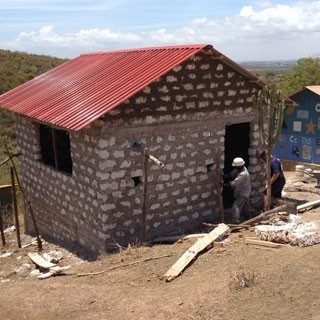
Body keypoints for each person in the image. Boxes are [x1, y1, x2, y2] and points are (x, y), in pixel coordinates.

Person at [229, 157, 251, 224]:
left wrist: (223, 184)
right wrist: (223, 176)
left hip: (243, 193)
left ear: (239, 166)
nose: (235, 168)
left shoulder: (243, 174)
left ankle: (235, 221)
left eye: (236, 166)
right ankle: (249, 219)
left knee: (236, 207)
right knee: (245, 207)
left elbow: (234, 183)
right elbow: (231, 174)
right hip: (243, 191)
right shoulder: (240, 169)